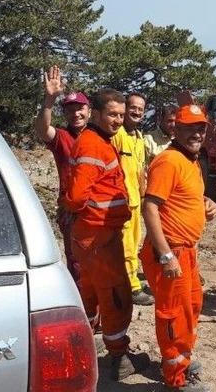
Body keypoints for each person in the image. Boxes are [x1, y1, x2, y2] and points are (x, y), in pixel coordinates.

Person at [61, 88, 148, 380]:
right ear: (96, 114)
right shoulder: (92, 145)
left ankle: (81, 347)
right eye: (112, 114)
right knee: (116, 296)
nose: (118, 120)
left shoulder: (99, 141)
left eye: (121, 115)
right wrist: (80, 213)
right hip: (99, 236)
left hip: (94, 235)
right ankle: (119, 357)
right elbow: (75, 196)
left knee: (91, 292)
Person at [141, 103, 216, 392]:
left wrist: (207, 204)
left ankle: (181, 361)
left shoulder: (191, 160)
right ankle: (175, 381)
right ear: (177, 128)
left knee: (191, 308)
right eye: (189, 127)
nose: (196, 133)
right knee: (174, 315)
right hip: (171, 252)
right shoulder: (169, 161)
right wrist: (165, 255)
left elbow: (184, 198)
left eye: (201, 128)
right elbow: (150, 208)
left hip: (187, 251)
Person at [33, 64, 90, 283]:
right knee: (76, 263)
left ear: (89, 111)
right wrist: (49, 99)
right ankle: (84, 310)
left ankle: (99, 313)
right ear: (64, 113)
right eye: (70, 109)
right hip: (73, 212)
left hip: (98, 211)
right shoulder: (62, 137)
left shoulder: (99, 138)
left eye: (80, 108)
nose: (76, 113)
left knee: (101, 262)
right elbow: (42, 129)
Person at [111, 92, 154, 306]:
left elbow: (140, 170)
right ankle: (132, 287)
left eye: (141, 108)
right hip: (122, 201)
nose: (137, 112)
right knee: (127, 244)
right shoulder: (117, 134)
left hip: (136, 200)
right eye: (133, 107)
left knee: (135, 242)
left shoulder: (137, 137)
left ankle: (130, 279)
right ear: (125, 108)